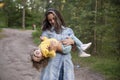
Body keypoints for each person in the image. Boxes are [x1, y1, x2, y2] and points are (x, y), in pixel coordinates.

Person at [38, 8, 91, 80]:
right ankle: (82, 46)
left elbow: (70, 49)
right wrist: (59, 46)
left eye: (54, 18)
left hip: (66, 67)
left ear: (58, 17)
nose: (52, 21)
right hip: (51, 68)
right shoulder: (46, 32)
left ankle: (81, 48)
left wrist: (72, 42)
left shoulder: (68, 30)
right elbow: (44, 48)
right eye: (50, 20)